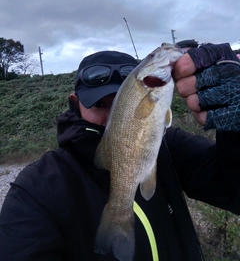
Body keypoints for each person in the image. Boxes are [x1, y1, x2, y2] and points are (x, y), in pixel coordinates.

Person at [0, 43, 240, 261]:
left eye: (118, 103)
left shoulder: (170, 145)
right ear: (75, 103)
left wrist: (235, 130)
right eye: (99, 105)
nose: (111, 119)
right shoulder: (37, 187)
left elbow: (233, 188)